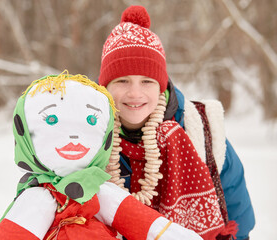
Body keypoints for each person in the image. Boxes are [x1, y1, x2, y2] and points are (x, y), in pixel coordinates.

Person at [98, 5, 255, 240]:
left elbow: (236, 209)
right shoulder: (87, 133)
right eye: (122, 80)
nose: (135, 93)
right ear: (105, 86)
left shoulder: (200, 129)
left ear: (161, 85)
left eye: (147, 82)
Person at [0, 71, 203, 240]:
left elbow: (145, 224)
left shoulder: (100, 191)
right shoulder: (37, 200)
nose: (74, 137)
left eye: (92, 122)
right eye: (52, 120)